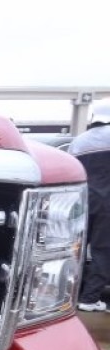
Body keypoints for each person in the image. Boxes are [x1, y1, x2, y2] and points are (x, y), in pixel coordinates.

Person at [69, 105, 110, 311]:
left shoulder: (79, 141)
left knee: (76, 249)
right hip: (107, 203)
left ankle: (68, 294)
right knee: (102, 251)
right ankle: (89, 299)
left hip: (82, 200)